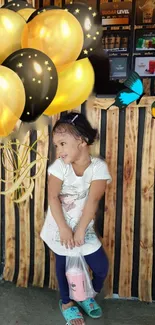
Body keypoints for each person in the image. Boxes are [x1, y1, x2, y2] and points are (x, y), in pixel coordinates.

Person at [40, 112, 112, 325]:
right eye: (56, 146)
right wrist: (63, 228)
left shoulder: (98, 168)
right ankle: (66, 302)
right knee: (62, 267)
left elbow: (93, 201)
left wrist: (80, 230)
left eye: (63, 143)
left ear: (81, 140)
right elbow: (52, 197)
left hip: (84, 229)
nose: (59, 150)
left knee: (101, 267)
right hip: (59, 228)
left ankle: (86, 294)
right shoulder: (59, 167)